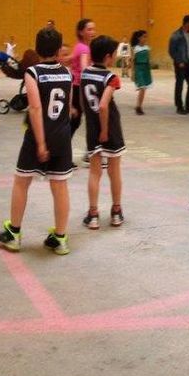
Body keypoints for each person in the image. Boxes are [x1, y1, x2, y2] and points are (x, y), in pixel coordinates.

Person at [0, 27, 73, 256]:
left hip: (38, 135)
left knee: (22, 180)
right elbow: (67, 109)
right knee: (59, 185)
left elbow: (36, 108)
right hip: (61, 135)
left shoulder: (33, 72)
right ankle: (60, 238)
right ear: (59, 50)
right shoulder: (67, 73)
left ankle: (14, 234)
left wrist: (40, 143)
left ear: (37, 48)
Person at [80, 35, 126, 230]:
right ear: (108, 56)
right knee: (114, 171)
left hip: (91, 126)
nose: (116, 56)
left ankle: (93, 215)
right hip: (109, 127)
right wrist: (105, 130)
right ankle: (116, 212)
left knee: (94, 172)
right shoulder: (111, 78)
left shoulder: (84, 74)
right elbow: (104, 105)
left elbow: (83, 101)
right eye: (114, 53)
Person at [69, 18, 96, 140]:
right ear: (81, 32)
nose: (92, 32)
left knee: (75, 121)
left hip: (75, 86)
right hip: (79, 88)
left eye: (93, 29)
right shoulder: (85, 48)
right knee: (78, 121)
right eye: (89, 29)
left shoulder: (79, 46)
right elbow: (85, 68)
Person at [169, 15, 189, 115]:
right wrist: (179, 61)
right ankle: (179, 106)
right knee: (179, 85)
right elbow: (172, 51)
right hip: (181, 63)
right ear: (186, 23)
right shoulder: (176, 35)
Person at [131, 29, 152, 115]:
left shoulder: (147, 48)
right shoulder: (135, 48)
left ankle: (139, 106)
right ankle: (138, 107)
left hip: (146, 69)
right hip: (138, 68)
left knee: (144, 88)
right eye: (144, 36)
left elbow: (148, 60)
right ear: (139, 38)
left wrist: (149, 70)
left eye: (146, 36)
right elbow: (132, 61)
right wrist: (133, 72)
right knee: (142, 88)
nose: (145, 38)